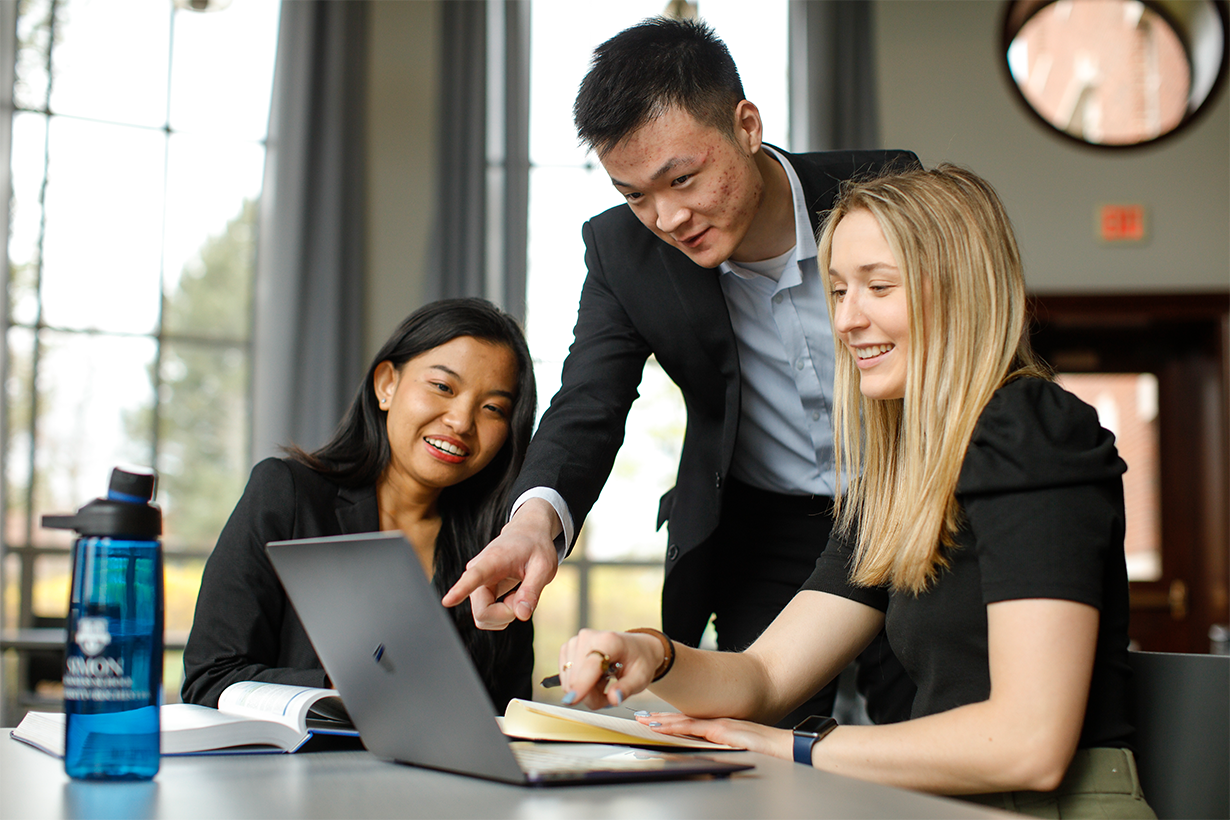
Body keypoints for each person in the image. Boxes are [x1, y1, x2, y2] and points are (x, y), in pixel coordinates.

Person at [553, 165, 1156, 819]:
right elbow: (764, 677)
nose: (846, 319)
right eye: (837, 291)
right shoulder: (900, 475)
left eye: (878, 287)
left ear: (961, 292)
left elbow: (1027, 745)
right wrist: (651, 653)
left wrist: (799, 747)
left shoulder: (1028, 427)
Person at [444, 17, 917, 727]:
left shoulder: (889, 191)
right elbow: (589, 403)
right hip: (768, 528)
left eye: (683, 178)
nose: (666, 217)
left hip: (915, 502)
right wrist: (532, 526)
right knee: (761, 744)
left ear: (747, 125)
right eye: (635, 194)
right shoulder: (620, 253)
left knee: (925, 727)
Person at [182, 298, 537, 713]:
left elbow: (508, 716)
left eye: (493, 408)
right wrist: (358, 684)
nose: (461, 421)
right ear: (387, 384)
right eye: (442, 387)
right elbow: (210, 679)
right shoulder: (288, 494)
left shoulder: (496, 550)